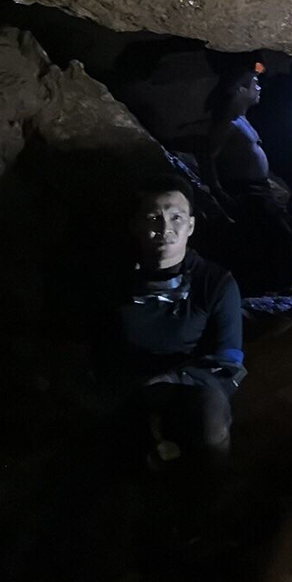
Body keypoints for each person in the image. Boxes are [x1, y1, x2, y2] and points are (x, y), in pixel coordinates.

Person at [104, 177, 245, 464]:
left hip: (190, 386)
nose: (165, 229)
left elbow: (229, 362)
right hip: (131, 388)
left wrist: (168, 381)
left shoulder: (215, 283)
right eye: (154, 218)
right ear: (136, 226)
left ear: (190, 226)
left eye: (176, 217)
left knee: (210, 423)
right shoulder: (115, 282)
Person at [203, 62, 292, 290]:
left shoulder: (241, 120)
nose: (259, 88)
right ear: (240, 89)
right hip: (246, 192)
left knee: (279, 233)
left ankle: (280, 284)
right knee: (275, 234)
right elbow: (207, 157)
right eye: (254, 84)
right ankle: (273, 286)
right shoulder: (228, 123)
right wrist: (218, 191)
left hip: (259, 189)